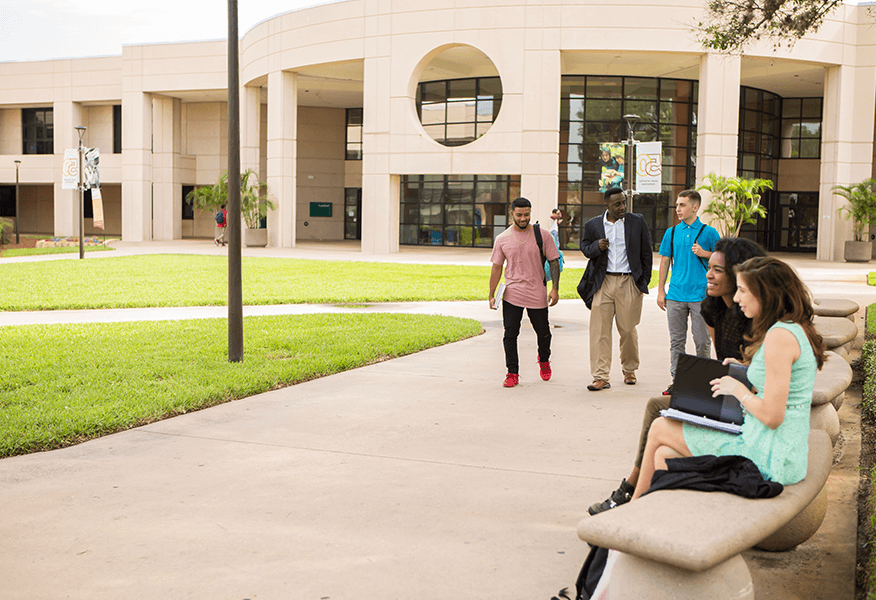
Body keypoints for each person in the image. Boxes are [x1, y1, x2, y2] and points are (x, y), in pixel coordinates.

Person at [587, 237, 766, 514]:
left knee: (660, 415)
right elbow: (722, 360)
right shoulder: (713, 309)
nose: (709, 274)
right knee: (656, 406)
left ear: (740, 273)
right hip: (728, 391)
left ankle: (632, 492)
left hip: (746, 403)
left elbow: (753, 376)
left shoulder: (755, 316)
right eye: (709, 266)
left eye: (718, 270)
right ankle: (632, 486)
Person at [630, 256, 827, 501]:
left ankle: (631, 508)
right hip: (778, 447)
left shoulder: (780, 337)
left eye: (743, 290)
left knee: (660, 427)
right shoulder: (791, 328)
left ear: (765, 294)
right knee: (664, 454)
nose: (736, 298)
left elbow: (774, 417)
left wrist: (738, 389)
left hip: (770, 452)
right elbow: (778, 385)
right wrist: (745, 370)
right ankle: (651, 516)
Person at [579, 187, 653, 391]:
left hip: (628, 281)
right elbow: (585, 247)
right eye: (617, 204)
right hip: (602, 283)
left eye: (623, 202)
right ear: (607, 205)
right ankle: (600, 376)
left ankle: (629, 369)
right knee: (599, 332)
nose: (622, 207)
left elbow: (646, 252)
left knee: (628, 329)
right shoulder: (593, 225)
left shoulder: (636, 222)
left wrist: (642, 281)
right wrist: (597, 247)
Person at [489, 197, 561, 388]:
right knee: (510, 334)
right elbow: (496, 268)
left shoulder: (543, 235)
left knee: (544, 333)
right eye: (519, 215)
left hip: (537, 292)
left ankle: (544, 359)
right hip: (512, 293)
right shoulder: (502, 239)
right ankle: (512, 372)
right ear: (511, 213)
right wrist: (491, 293)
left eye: (526, 214)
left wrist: (555, 289)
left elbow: (554, 260)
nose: (523, 218)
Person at [657, 190, 720, 395]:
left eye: (682, 205)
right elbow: (665, 261)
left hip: (701, 296)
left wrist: (705, 254)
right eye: (677, 205)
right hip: (675, 295)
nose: (678, 209)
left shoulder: (709, 233)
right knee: (677, 342)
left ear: (695, 207)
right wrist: (660, 291)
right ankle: (678, 382)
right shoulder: (671, 232)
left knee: (702, 341)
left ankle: (703, 382)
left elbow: (723, 259)